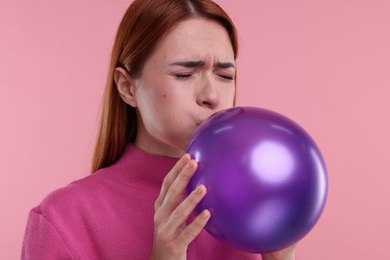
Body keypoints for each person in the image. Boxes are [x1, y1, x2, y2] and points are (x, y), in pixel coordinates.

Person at [21, 0, 297, 259]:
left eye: (225, 76)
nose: (212, 95)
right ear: (127, 87)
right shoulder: (63, 219)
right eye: (183, 74)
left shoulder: (256, 204)